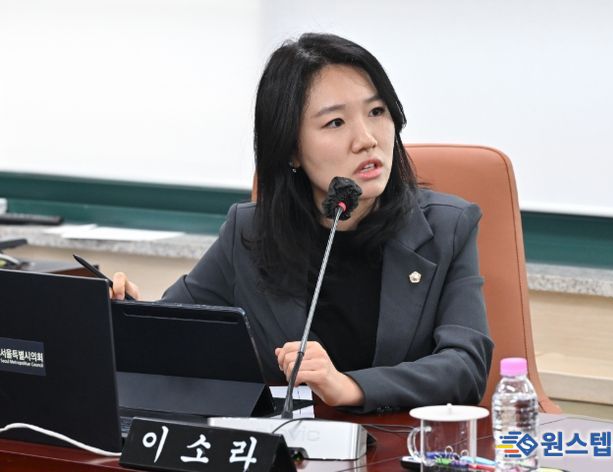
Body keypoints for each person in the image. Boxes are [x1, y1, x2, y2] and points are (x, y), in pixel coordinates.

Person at [113, 33, 493, 413]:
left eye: (377, 112)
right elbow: (173, 334)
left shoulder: (447, 227)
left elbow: (465, 366)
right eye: (335, 122)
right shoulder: (250, 232)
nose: (366, 140)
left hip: (399, 440)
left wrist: (350, 387)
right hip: (288, 442)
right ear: (292, 148)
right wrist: (124, 312)